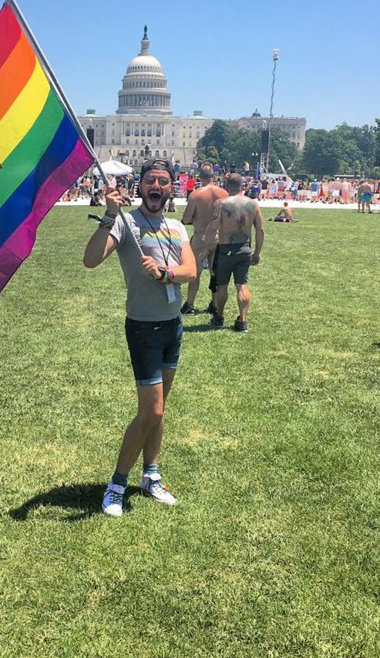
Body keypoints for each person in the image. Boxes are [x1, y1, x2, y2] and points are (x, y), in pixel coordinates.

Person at [83, 159, 196, 518]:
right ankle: (116, 484)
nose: (156, 186)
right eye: (150, 180)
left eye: (163, 181)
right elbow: (90, 260)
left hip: (172, 325)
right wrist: (108, 214)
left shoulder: (176, 226)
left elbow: (191, 271)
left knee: (158, 410)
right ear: (140, 187)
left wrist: (165, 273)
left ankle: (151, 475)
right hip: (144, 327)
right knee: (153, 410)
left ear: (170, 188)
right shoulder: (125, 222)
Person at [204, 173, 264, 332]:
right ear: (242, 185)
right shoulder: (253, 204)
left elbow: (213, 227)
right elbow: (261, 230)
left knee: (222, 284)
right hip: (244, 248)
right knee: (242, 285)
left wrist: (205, 248)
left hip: (225, 249)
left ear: (226, 185)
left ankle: (219, 316)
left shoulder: (221, 204)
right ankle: (242, 320)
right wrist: (257, 252)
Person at [180, 162, 226, 316]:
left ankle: (190, 304)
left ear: (200, 177)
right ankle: (214, 303)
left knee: (195, 272)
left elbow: (186, 218)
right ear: (213, 176)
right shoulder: (223, 193)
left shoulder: (196, 194)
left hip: (201, 235)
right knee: (215, 273)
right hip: (219, 236)